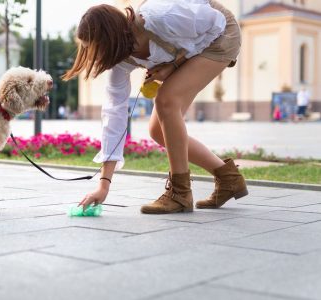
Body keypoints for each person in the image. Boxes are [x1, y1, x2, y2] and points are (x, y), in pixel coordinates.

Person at [62, 0, 248, 214]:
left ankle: (180, 194)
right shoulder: (121, 59)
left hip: (220, 34)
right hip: (195, 44)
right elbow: (114, 115)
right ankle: (229, 179)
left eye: (95, 49)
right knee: (157, 130)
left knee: (166, 101)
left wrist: (175, 64)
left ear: (110, 39)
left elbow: (216, 22)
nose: (96, 57)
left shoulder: (160, 17)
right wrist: (103, 186)